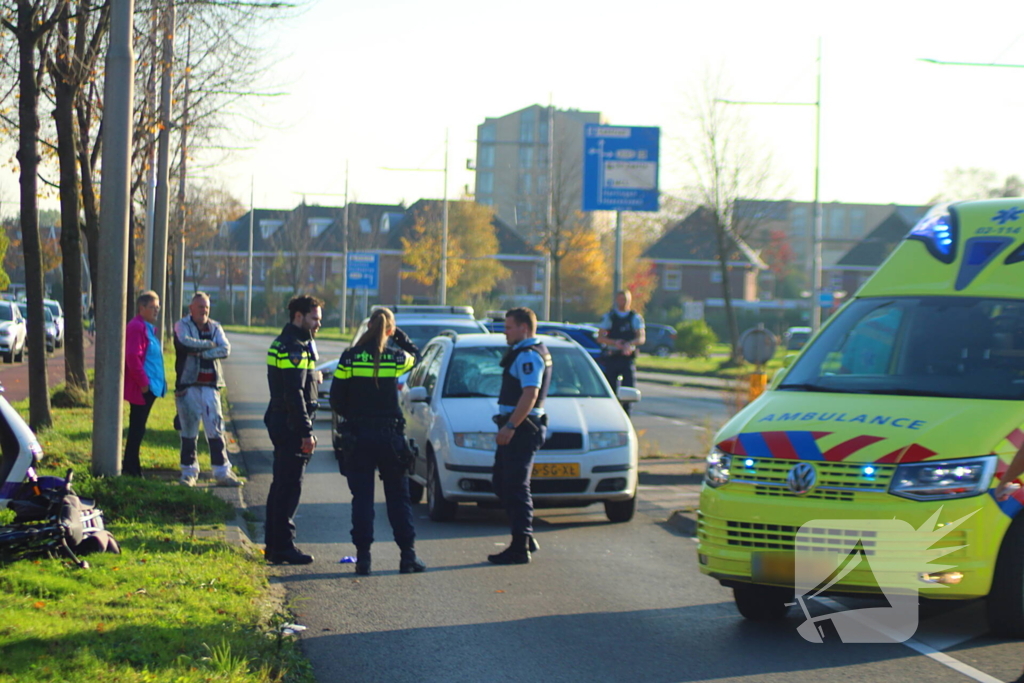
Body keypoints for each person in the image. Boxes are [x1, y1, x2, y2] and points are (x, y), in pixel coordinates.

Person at [330, 307, 424, 576]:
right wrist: (399, 336)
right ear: (389, 330)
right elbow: (417, 357)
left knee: (362, 499)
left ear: (368, 327)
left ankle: (363, 559)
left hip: (358, 437)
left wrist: (354, 416)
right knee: (398, 498)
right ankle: (408, 556)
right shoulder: (395, 358)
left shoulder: (349, 357)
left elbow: (336, 398)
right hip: (390, 437)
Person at [488, 307, 551, 565]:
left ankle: (519, 547)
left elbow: (530, 393)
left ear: (524, 328)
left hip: (522, 429)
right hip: (518, 426)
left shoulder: (529, 355)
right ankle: (525, 535)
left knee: (515, 487)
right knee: (501, 482)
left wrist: (511, 426)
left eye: (509, 327)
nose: (505, 332)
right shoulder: (526, 351)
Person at [263, 295, 323, 565]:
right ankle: (283, 546)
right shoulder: (294, 347)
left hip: (282, 420)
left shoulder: (285, 342)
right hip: (290, 424)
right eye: (314, 318)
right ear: (299, 316)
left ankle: (274, 545)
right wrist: (305, 431)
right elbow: (294, 393)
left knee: (280, 485)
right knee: (289, 487)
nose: (318, 324)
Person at [173, 292, 240, 488]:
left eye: (207, 307)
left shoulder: (215, 327)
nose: (204, 311)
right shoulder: (181, 325)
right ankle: (188, 472)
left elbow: (225, 349)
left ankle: (222, 472)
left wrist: (202, 353)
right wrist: (210, 345)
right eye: (201, 307)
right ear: (191, 308)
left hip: (211, 386)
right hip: (188, 386)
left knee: (216, 430)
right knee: (188, 430)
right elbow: (185, 342)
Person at [123, 291, 167, 477]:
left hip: (150, 387)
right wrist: (144, 384)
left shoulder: (147, 327)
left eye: (158, 307)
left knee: (138, 429)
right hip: (142, 389)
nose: (157, 310)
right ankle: (131, 469)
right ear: (141, 308)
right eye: (153, 307)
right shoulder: (137, 327)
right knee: (137, 429)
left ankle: (132, 467)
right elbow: (132, 357)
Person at [596, 289, 646, 416]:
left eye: (626, 300)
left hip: (627, 357)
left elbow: (641, 338)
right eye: (621, 299)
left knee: (628, 389)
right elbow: (600, 337)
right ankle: (610, 414)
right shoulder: (610, 317)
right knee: (611, 389)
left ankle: (627, 414)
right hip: (612, 357)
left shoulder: (635, 317)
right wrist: (615, 343)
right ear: (616, 300)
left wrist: (629, 344)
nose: (623, 302)